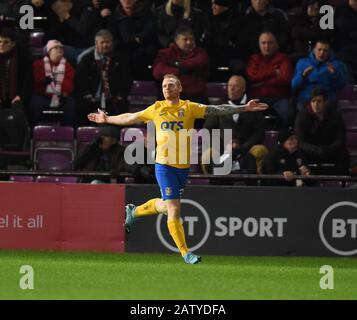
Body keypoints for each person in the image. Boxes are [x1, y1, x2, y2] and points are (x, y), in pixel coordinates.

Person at [87, 73, 268, 264]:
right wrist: (107, 119)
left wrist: (244, 108)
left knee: (166, 206)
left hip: (183, 167)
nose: (167, 88)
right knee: (174, 208)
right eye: (164, 85)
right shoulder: (157, 108)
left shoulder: (189, 107)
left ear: (180, 88)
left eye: (171, 85)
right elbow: (131, 117)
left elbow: (216, 110)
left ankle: (135, 212)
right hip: (164, 165)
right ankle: (185, 253)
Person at [203, 75, 268, 173]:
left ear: (243, 89)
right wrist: (224, 144)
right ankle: (212, 184)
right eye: (229, 86)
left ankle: (256, 183)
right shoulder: (218, 106)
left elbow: (259, 132)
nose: (231, 89)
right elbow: (208, 129)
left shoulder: (254, 106)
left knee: (260, 150)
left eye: (235, 86)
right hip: (222, 147)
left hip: (247, 148)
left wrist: (243, 146)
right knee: (207, 155)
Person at [75, 29, 133, 126]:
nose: (105, 45)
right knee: (79, 106)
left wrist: (120, 96)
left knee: (122, 108)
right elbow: (80, 81)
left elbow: (127, 80)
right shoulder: (87, 59)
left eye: (108, 42)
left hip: (113, 99)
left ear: (112, 43)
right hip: (91, 99)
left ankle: (116, 138)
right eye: (102, 42)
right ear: (96, 44)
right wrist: (87, 95)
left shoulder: (121, 59)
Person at [294, 87, 350, 175]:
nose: (315, 104)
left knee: (344, 154)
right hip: (311, 151)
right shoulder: (302, 117)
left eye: (319, 101)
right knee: (299, 153)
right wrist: (316, 149)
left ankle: (342, 182)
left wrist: (327, 149)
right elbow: (301, 142)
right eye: (313, 101)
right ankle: (306, 181)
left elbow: (341, 140)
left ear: (326, 102)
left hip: (330, 150)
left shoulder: (335, 116)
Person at [246, 31, 294, 127]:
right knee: (248, 116)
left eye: (270, 43)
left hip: (279, 97)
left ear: (276, 44)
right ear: (259, 45)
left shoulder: (283, 58)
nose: (266, 46)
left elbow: (285, 78)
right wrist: (273, 71)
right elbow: (252, 77)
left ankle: (284, 138)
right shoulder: (254, 59)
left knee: (288, 113)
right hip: (258, 97)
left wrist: (263, 81)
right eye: (263, 43)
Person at [152, 26, 209, 104]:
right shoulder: (165, 53)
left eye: (191, 39)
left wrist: (177, 64)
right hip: (172, 95)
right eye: (185, 39)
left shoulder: (200, 53)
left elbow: (200, 62)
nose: (189, 42)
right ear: (177, 41)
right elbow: (158, 72)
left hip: (195, 95)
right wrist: (178, 71)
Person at [291, 39, 348, 111]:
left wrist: (334, 74)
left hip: (326, 97)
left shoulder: (336, 65)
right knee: (301, 108)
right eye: (319, 50)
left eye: (325, 51)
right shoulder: (303, 62)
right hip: (307, 97)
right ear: (314, 50)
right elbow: (293, 85)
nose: (322, 53)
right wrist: (303, 76)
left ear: (329, 52)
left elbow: (341, 86)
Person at [31, 39, 76, 127]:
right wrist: (44, 81)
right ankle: (31, 134)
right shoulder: (38, 64)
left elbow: (70, 84)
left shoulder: (68, 66)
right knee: (34, 104)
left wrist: (64, 93)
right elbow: (35, 82)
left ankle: (72, 135)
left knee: (71, 104)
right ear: (49, 52)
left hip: (61, 96)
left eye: (61, 48)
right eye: (56, 48)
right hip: (43, 95)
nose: (59, 50)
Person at [74, 125, 140, 183]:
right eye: (100, 136)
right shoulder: (91, 150)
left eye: (106, 136)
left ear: (114, 140)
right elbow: (75, 164)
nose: (102, 139)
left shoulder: (122, 151)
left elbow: (127, 166)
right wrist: (90, 147)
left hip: (111, 185)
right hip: (87, 185)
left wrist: (118, 170)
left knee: (95, 183)